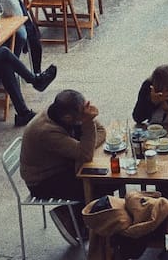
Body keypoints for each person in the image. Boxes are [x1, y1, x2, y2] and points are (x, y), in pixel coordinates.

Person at [21, 89, 107, 244]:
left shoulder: (60, 111)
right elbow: (86, 155)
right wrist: (87, 126)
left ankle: (83, 218)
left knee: (103, 177)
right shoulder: (46, 131)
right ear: (68, 117)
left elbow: (100, 131)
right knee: (100, 185)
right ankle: (68, 215)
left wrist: (86, 143)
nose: (85, 115)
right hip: (43, 181)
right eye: (82, 114)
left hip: (61, 165)